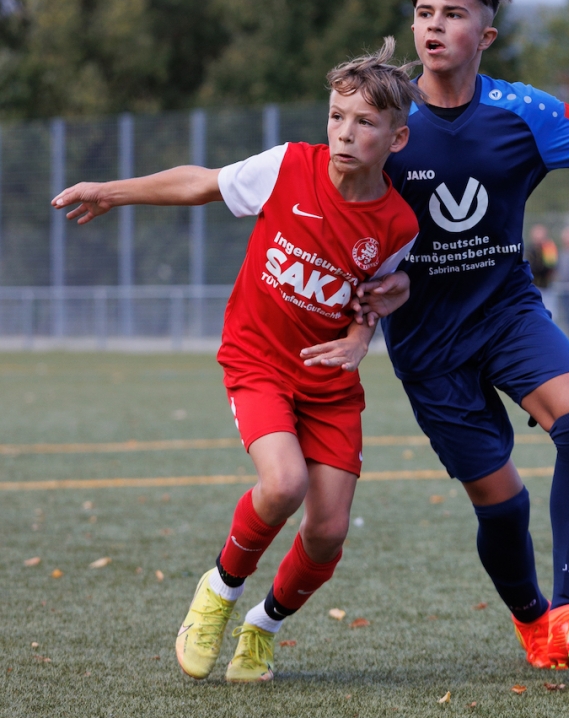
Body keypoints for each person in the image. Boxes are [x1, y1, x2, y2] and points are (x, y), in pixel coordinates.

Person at [52, 40, 419, 684]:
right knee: (283, 484)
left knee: (328, 531)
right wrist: (113, 191)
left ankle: (263, 627)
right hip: (259, 360)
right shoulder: (288, 166)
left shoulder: (398, 223)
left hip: (329, 384)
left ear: (397, 138)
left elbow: (374, 297)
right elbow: (200, 182)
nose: (344, 132)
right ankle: (219, 591)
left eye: (364, 122)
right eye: (337, 116)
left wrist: (361, 339)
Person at [358, 0, 569, 670]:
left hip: (507, 311)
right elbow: (339, 214)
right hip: (427, 342)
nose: (434, 26)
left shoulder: (523, 111)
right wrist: (360, 303)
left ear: (485, 36)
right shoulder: (386, 120)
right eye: (424, 12)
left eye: (453, 14)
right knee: (504, 504)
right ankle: (533, 623)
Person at [526, 223, 558, 318]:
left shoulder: (548, 248)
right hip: (533, 285)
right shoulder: (530, 249)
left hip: (546, 286)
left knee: (549, 311)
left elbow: (550, 265)